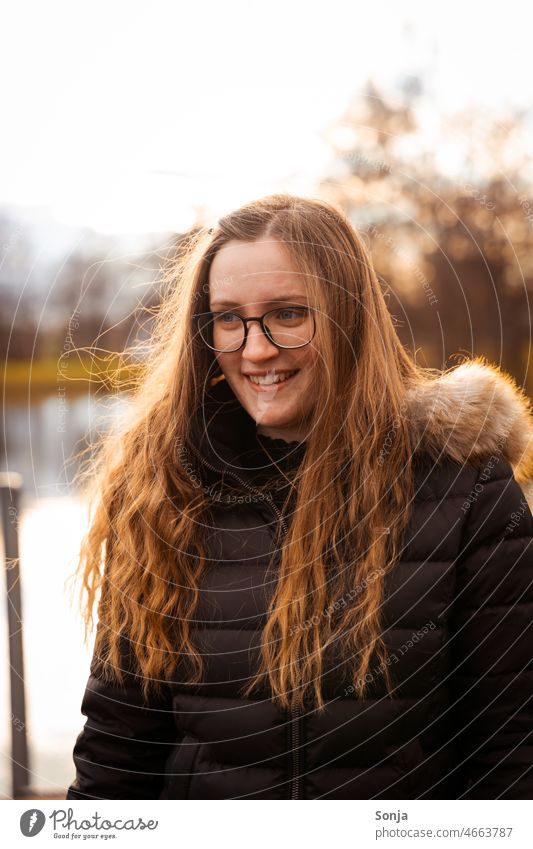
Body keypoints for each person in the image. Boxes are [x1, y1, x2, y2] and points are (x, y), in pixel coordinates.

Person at [66, 193, 533, 800]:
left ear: (349, 316)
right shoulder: (161, 495)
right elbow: (117, 750)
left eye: (287, 314)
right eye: (228, 319)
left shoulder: (469, 494)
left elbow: (513, 757)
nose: (255, 349)